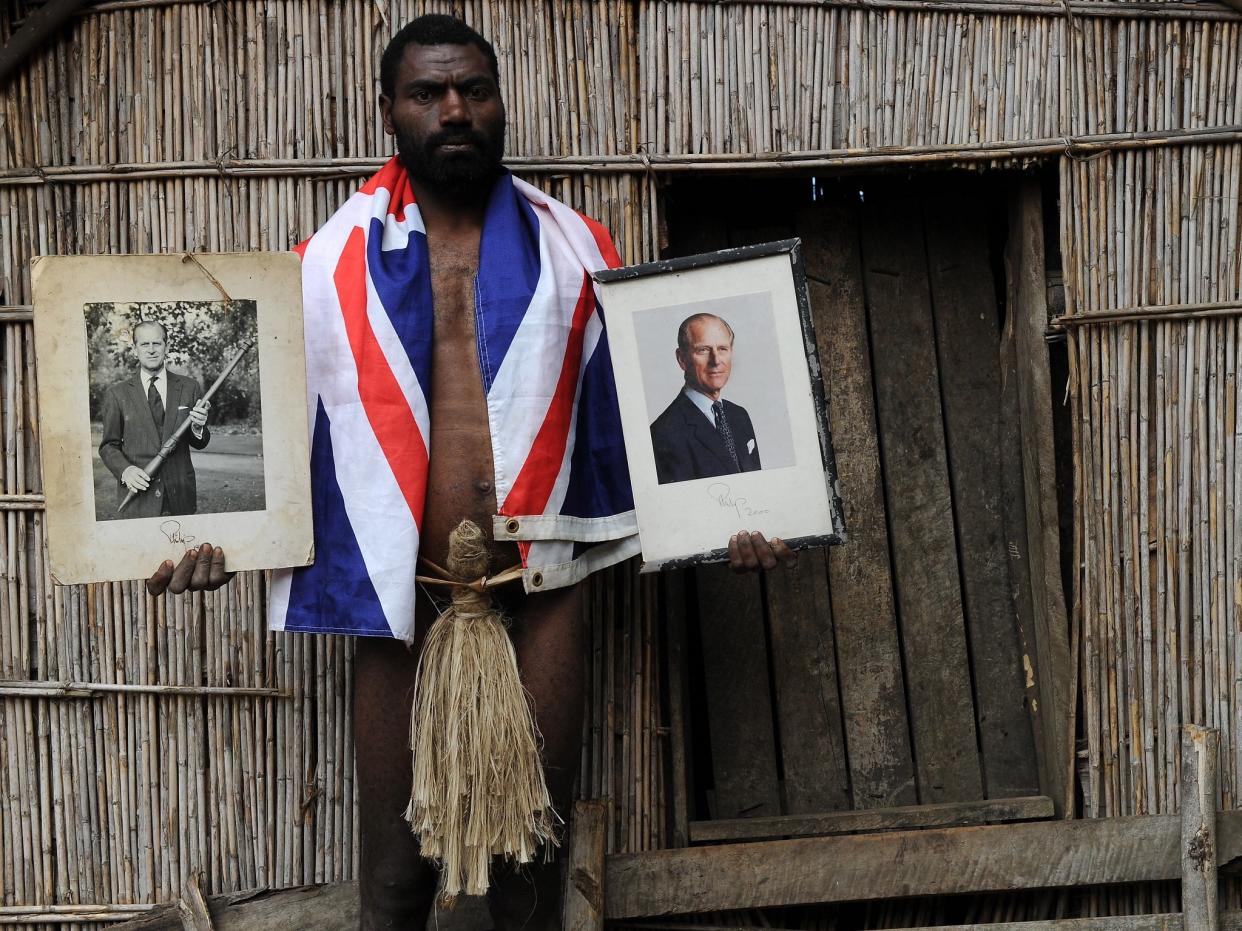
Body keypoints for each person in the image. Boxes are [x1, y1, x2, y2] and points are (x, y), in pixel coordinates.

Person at [147, 16, 796, 930]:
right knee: (394, 881)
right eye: (427, 93)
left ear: (498, 102)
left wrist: (733, 511)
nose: (454, 110)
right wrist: (191, 535)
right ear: (389, 112)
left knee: (531, 877)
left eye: (473, 90)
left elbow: (639, 428)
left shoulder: (577, 250)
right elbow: (260, 436)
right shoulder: (323, 265)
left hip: (541, 590)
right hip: (402, 598)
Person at [98, 320, 211, 517]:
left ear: (166, 347)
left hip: (180, 497)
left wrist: (198, 428)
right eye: (144, 344)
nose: (151, 350)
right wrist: (125, 471)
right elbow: (108, 446)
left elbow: (199, 442)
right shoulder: (117, 394)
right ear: (135, 349)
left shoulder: (189, 387)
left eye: (157, 343)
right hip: (139, 498)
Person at [650, 313, 762, 484]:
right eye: (703, 350)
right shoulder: (664, 434)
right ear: (682, 359)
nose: (716, 360)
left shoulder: (739, 415)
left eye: (722, 349)